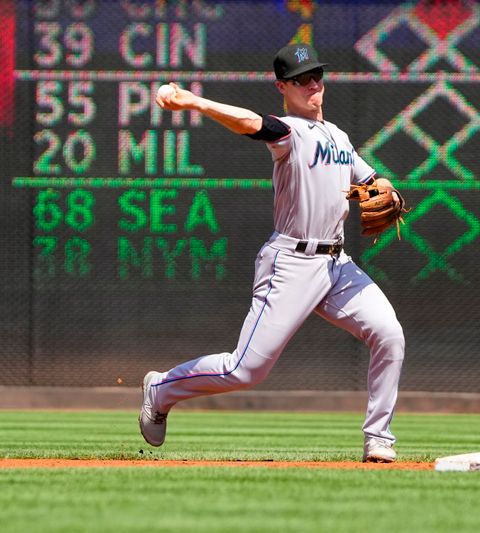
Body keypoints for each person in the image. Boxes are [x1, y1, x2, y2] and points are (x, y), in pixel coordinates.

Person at [139, 43, 406, 463]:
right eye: (301, 80)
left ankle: (379, 438)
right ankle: (161, 389)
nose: (313, 84)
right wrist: (193, 101)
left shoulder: (338, 136)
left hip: (336, 265)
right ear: (283, 86)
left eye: (317, 75)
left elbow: (371, 179)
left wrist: (385, 187)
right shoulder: (288, 131)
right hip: (292, 262)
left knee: (389, 334)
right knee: (244, 370)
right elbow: (249, 121)